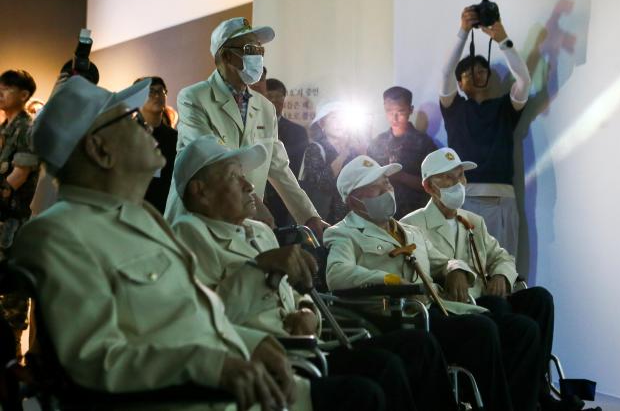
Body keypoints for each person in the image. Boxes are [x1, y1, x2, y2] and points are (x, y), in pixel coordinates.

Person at [11, 76, 384, 411]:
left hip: (248, 387)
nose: (148, 127)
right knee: (367, 393)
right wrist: (215, 365)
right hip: (202, 397)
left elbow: (192, 320)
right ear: (99, 149)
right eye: (133, 120)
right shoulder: (59, 234)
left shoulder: (144, 219)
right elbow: (93, 360)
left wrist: (251, 343)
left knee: (377, 384)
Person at [171, 135, 459, 411]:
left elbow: (299, 294)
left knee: (417, 346)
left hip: (309, 343)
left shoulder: (259, 232)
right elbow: (206, 319)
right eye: (234, 177)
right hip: (268, 357)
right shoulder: (188, 235)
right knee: (379, 376)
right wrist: (257, 269)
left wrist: (308, 312)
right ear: (201, 191)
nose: (249, 185)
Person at [324, 155, 546, 411]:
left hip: (432, 309)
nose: (387, 189)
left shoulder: (408, 232)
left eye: (387, 182)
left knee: (521, 329)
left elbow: (441, 261)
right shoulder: (344, 232)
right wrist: (387, 280)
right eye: (376, 186)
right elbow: (337, 274)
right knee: (481, 330)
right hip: (397, 316)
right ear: (354, 198)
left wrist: (455, 268)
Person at [401, 147, 578, 411]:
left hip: (487, 299)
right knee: (515, 322)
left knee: (540, 298)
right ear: (428, 186)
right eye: (448, 178)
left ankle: (537, 389)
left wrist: (501, 276)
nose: (458, 183)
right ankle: (522, 401)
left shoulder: (473, 221)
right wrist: (455, 268)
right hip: (458, 308)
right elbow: (430, 264)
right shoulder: (412, 225)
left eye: (461, 176)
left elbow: (502, 256)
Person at [164, 17, 327, 238]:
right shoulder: (194, 97)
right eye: (250, 49)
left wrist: (309, 216)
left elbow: (278, 166)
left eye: (260, 50)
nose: (258, 56)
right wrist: (255, 204)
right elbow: (212, 160)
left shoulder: (265, 107)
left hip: (244, 220)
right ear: (226, 55)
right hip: (199, 218)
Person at [440, 7, 532, 256]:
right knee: (464, 271)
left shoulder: (504, 106)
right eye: (468, 73)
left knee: (503, 271)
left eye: (481, 71)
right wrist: (462, 32)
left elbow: (524, 81)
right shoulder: (454, 108)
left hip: (503, 198)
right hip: (463, 196)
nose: (475, 75)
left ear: (489, 77)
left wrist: (502, 39)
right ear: (459, 83)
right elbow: (445, 73)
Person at [0, 69, 39, 357]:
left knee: (12, 296)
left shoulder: (26, 128)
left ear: (24, 95)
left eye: (8, 88)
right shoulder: (5, 127)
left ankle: (14, 362)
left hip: (12, 223)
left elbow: (20, 174)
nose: (1, 92)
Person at [367, 86, 437, 218]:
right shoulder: (377, 143)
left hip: (416, 214)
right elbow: (367, 180)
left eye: (401, 111)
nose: (395, 117)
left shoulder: (424, 143)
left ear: (410, 110)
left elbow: (435, 184)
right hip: (382, 215)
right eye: (389, 111)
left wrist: (402, 177)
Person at [297, 102, 359, 224]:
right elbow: (323, 183)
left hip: (349, 218)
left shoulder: (353, 150)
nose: (340, 123)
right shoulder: (315, 148)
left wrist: (361, 151)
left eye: (343, 118)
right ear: (322, 123)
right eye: (334, 118)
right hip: (322, 218)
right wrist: (343, 154)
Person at [262, 77, 309, 227]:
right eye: (270, 96)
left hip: (284, 197)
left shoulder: (298, 132)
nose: (275, 101)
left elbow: (296, 167)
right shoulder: (253, 125)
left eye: (279, 97)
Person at [133, 76, 177, 213]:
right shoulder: (128, 133)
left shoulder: (174, 137)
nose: (157, 95)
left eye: (161, 91)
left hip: (166, 208)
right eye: (151, 91)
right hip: (136, 207)